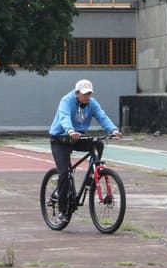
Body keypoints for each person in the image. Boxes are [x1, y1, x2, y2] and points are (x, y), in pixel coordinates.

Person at [47, 79, 121, 221]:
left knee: (98, 144)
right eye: (84, 94)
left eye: (89, 94)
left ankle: (92, 176)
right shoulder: (67, 101)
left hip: (77, 138)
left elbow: (102, 116)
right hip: (60, 139)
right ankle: (63, 210)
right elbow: (64, 117)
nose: (87, 97)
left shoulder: (92, 104)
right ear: (77, 93)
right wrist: (69, 130)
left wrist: (113, 130)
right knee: (64, 173)